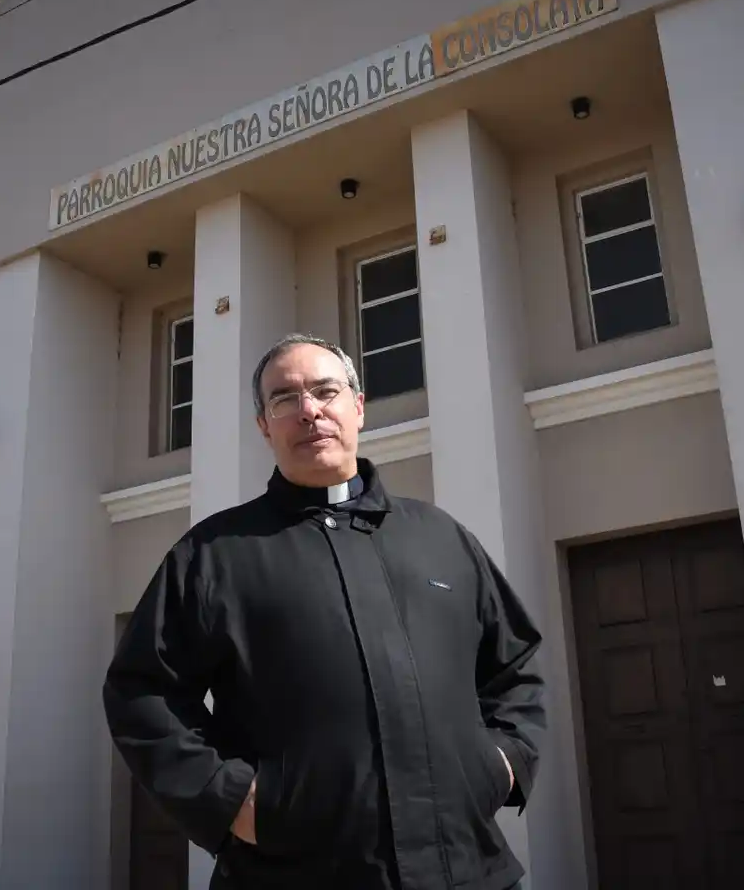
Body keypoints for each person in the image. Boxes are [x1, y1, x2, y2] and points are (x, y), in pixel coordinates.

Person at [104, 334, 545, 890]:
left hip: (469, 872)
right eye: (284, 399)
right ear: (265, 425)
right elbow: (142, 691)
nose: (309, 410)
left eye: (325, 391)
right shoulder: (215, 554)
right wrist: (232, 799)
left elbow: (517, 664)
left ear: (357, 406)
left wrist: (501, 763)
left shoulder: (442, 538)